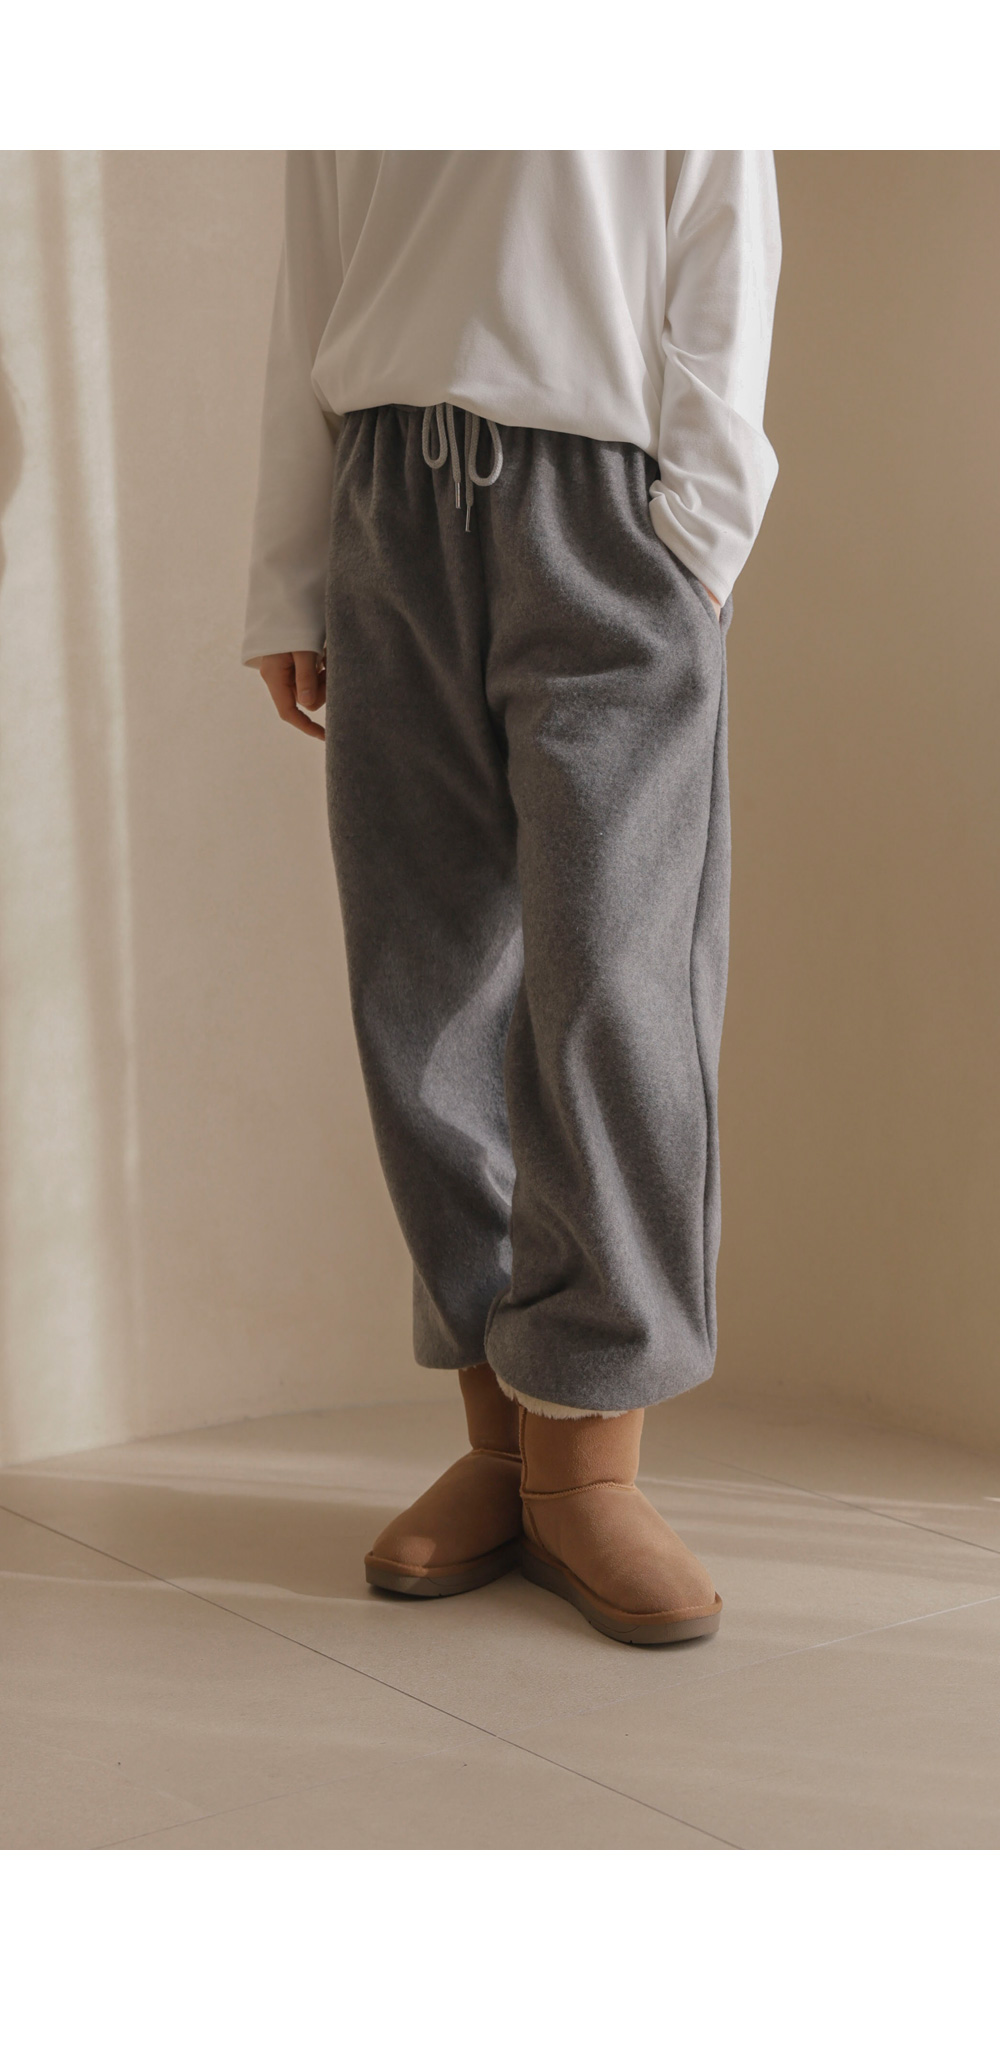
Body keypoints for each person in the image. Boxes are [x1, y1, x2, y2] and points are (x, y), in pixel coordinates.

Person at [242, 151, 781, 1647]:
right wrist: (290, 574)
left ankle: (589, 1456)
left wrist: (699, 536)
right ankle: (503, 1445)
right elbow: (313, 276)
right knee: (419, 987)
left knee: (614, 984)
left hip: (604, 509)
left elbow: (722, 229)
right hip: (386, 504)